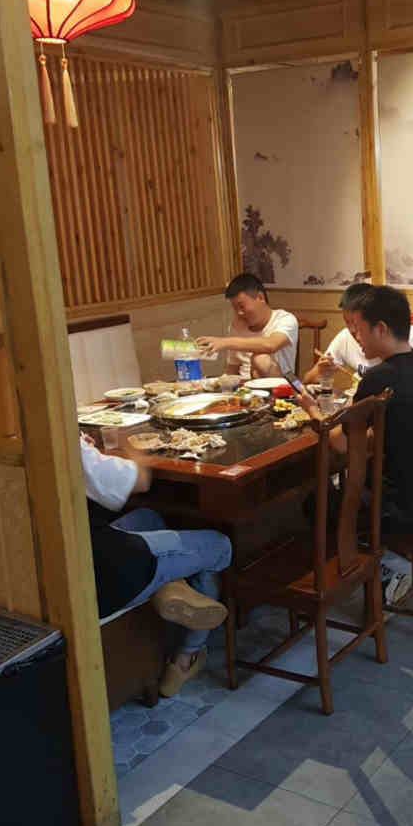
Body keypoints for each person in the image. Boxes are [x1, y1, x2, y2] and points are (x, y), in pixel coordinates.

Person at [299, 286, 413, 603]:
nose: (355, 338)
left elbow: (341, 445)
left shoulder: (379, 377)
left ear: (381, 328)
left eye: (358, 330)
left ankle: (378, 568)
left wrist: (313, 411)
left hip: (408, 511)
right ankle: (380, 560)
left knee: (315, 501)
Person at [81, 435, 231, 697]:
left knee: (148, 518)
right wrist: (128, 445)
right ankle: (185, 659)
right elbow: (141, 480)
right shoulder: (71, 451)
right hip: (108, 575)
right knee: (220, 545)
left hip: (84, 554)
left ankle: (173, 585)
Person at [305, 282, 413, 402]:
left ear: (379, 326)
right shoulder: (345, 338)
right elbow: (307, 381)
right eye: (347, 322)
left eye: (357, 325)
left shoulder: (412, 344)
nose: (353, 331)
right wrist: (321, 372)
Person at [196, 273, 298, 380]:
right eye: (235, 308)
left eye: (241, 306)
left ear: (260, 298)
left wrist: (225, 342)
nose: (239, 312)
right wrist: (221, 383)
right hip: (243, 386)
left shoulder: (284, 319)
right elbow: (233, 368)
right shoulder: (237, 325)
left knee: (260, 359)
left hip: (278, 386)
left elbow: (271, 345)